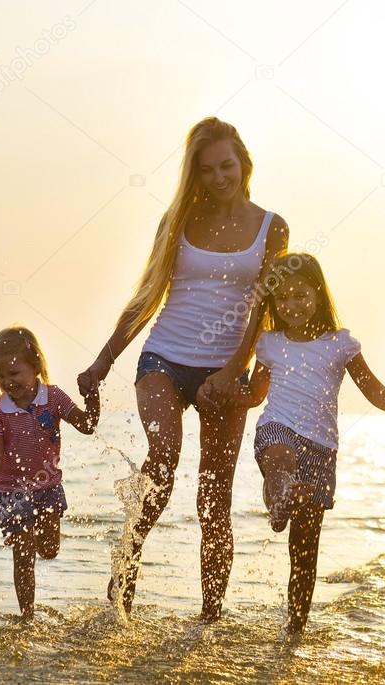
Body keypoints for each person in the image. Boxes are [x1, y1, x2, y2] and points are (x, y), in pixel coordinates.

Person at [77, 117, 288, 621]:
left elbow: (266, 308)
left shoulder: (271, 226)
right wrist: (101, 362)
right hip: (164, 359)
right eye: (208, 169)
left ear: (243, 163)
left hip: (227, 370)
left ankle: (209, 618)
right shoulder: (178, 222)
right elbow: (148, 297)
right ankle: (124, 568)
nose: (219, 178)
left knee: (214, 497)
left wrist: (242, 371)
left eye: (227, 166)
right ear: (194, 174)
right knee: (164, 458)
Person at [238, 252, 385, 634]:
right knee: (279, 458)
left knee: (303, 551)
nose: (292, 305)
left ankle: (295, 629)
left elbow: (376, 393)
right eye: (284, 298)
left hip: (321, 450)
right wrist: (224, 392)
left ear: (319, 294)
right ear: (274, 303)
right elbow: (256, 395)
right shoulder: (270, 344)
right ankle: (280, 501)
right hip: (279, 426)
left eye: (301, 295)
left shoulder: (340, 344)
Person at [0, 326, 100, 620]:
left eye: (13, 374)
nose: (6, 382)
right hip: (12, 493)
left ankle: (33, 539)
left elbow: (87, 425)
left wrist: (93, 396)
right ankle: (27, 617)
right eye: (0, 376)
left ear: (35, 366)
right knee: (23, 557)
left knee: (49, 550)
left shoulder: (53, 398)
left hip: (48, 488)